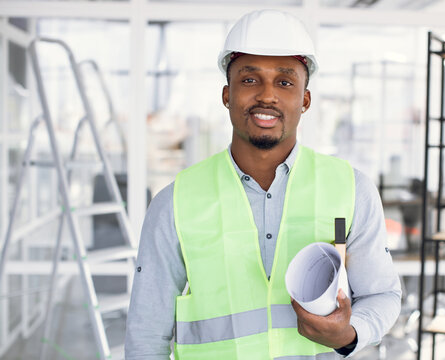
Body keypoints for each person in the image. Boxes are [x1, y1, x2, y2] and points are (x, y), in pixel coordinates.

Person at [125, 9, 401, 360]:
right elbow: (146, 337)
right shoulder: (175, 203)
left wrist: (348, 334)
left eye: (284, 82)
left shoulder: (351, 189)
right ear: (227, 95)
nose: (267, 96)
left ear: (305, 100)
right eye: (250, 80)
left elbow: (383, 295)